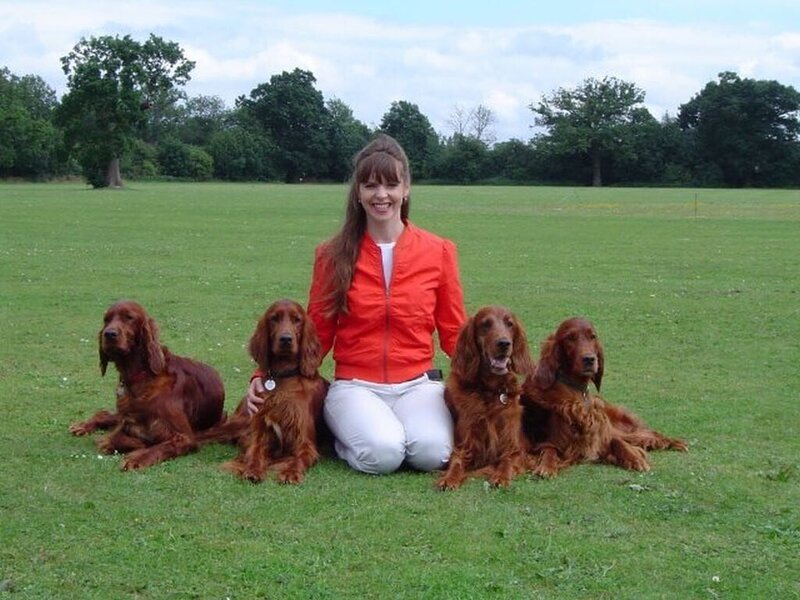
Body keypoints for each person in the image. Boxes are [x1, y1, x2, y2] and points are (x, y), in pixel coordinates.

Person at [245, 134, 467, 475]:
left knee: (432, 454)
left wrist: (498, 376)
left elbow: (454, 333)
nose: (381, 195)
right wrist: (265, 376)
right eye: (370, 185)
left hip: (418, 385)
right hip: (355, 386)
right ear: (358, 193)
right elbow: (315, 332)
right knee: (383, 455)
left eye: (391, 184)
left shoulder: (439, 252)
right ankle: (344, 435)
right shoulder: (332, 255)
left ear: (406, 188)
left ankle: (388, 430)